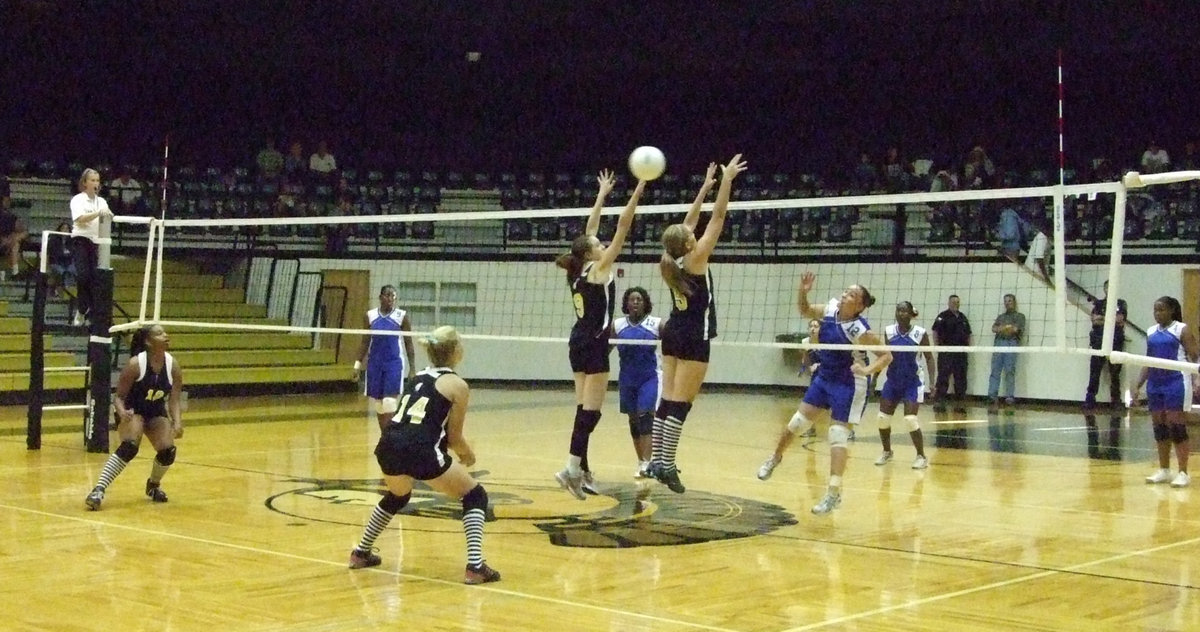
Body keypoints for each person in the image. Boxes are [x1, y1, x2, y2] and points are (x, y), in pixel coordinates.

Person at [347, 326, 501, 584]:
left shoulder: (416, 377)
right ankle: (476, 566)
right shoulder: (457, 385)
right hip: (419, 449)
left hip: (387, 445)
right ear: (456, 352)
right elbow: (454, 438)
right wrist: (468, 455)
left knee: (398, 495)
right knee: (475, 494)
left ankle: (361, 552)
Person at [756, 272, 891, 515]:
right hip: (825, 377)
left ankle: (833, 493)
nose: (843, 295)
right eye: (845, 291)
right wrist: (803, 290)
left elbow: (886, 355)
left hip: (849, 383)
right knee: (796, 423)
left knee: (837, 435)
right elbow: (805, 309)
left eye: (850, 294)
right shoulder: (830, 309)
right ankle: (774, 458)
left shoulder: (858, 329)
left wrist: (866, 368)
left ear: (859, 305)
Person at [652, 154, 746, 494]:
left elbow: (687, 224)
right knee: (681, 403)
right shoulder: (695, 257)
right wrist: (726, 181)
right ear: (689, 242)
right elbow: (718, 218)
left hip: (673, 332)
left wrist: (704, 188)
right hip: (693, 336)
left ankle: (656, 462)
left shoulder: (669, 258)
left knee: (667, 399)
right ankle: (666, 463)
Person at [551, 169, 645, 499]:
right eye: (597, 245)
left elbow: (590, 230)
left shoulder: (578, 268)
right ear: (592, 253)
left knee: (584, 411)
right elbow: (622, 228)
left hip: (578, 341)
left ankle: (580, 470)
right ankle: (571, 469)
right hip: (593, 344)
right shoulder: (599, 269)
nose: (601, 243)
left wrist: (602, 195)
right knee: (590, 412)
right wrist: (639, 189)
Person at [84, 325, 184, 510]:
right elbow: (119, 397)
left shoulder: (173, 366)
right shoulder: (135, 365)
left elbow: (175, 400)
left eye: (165, 332)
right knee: (130, 446)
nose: (166, 335)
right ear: (148, 342)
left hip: (154, 412)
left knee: (168, 451)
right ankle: (98, 489)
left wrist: (177, 421)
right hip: (132, 410)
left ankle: (153, 485)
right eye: (159, 333)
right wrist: (122, 412)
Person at [1134, 297, 1199, 488]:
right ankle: (1164, 469)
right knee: (1159, 426)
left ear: (1172, 310)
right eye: (1155, 310)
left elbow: (1195, 356)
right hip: (1155, 383)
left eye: (1161, 310)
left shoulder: (1181, 329)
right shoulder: (1151, 331)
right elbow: (1149, 360)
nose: (1157, 314)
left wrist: (1196, 379)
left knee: (1176, 426)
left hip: (1176, 381)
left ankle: (1183, 472)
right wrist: (1138, 384)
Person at [874, 301, 934, 469]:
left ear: (910, 314)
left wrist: (933, 383)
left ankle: (921, 456)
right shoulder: (889, 331)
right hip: (893, 381)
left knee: (910, 419)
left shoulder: (920, 333)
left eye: (904, 311)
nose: (901, 314)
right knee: (882, 418)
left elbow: (929, 358)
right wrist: (875, 377)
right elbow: (885, 356)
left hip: (912, 382)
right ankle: (887, 452)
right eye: (898, 311)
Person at [613, 287, 661, 480]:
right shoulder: (618, 325)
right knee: (633, 421)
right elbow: (603, 349)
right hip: (627, 378)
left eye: (639, 299)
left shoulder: (655, 324)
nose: (635, 303)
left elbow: (674, 343)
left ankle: (648, 463)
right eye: (632, 300)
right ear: (626, 303)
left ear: (645, 303)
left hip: (649, 377)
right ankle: (641, 461)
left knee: (646, 417)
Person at [354, 285, 416, 431]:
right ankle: (385, 437)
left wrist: (412, 368)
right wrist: (357, 366)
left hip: (393, 363)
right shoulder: (370, 316)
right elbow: (364, 342)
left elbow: (409, 343)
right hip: (375, 363)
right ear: (380, 297)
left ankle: (393, 436)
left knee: (389, 402)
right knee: (379, 404)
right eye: (387, 295)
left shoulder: (401, 316)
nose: (390, 299)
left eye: (393, 296)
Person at [69, 168, 113, 326]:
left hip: (96, 243)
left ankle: (89, 313)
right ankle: (81, 309)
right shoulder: (77, 200)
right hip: (81, 240)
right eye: (92, 180)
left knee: (96, 279)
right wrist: (97, 213)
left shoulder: (101, 201)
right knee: (83, 275)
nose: (96, 183)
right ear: (85, 183)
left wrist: (107, 214)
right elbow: (80, 219)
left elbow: (107, 216)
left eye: (97, 180)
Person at [1084, 280, 1128, 409]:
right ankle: (1090, 398)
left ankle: (1116, 400)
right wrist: (1110, 319)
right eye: (1107, 287)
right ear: (1104, 289)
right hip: (1098, 342)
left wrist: (1103, 318)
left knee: (1115, 372)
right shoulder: (1099, 303)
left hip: (1116, 342)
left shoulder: (1120, 303)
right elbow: (1094, 320)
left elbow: (1120, 321)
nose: (1109, 289)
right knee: (1094, 371)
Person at [931, 294, 972, 412]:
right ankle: (940, 400)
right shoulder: (942, 316)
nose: (956, 304)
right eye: (953, 302)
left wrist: (967, 348)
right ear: (949, 303)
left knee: (961, 377)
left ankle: (960, 401)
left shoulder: (963, 317)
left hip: (961, 353)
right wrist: (938, 347)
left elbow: (968, 333)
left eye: (958, 302)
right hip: (946, 352)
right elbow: (935, 331)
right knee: (943, 376)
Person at [987, 293, 1025, 411]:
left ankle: (1009, 396)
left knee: (1009, 370)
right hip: (999, 343)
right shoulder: (1001, 317)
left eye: (1009, 301)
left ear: (1014, 302)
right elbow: (994, 328)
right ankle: (992, 396)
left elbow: (1016, 330)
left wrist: (1003, 328)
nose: (1007, 303)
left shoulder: (1020, 316)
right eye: (1006, 301)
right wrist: (1007, 328)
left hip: (1011, 344)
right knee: (995, 370)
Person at [0, 193, 28, 281]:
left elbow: (24, 232)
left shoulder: (10, 216)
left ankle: (15, 272)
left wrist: (16, 237)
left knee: (15, 245)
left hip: (8, 243)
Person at [48, 221, 76, 297]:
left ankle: (67, 290)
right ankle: (61, 291)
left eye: (67, 229)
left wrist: (66, 254)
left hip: (68, 262)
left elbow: (73, 253)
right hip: (56, 262)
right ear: (59, 229)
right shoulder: (53, 240)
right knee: (61, 271)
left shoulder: (72, 241)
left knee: (72, 270)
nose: (65, 230)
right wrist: (65, 253)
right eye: (63, 228)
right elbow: (54, 254)